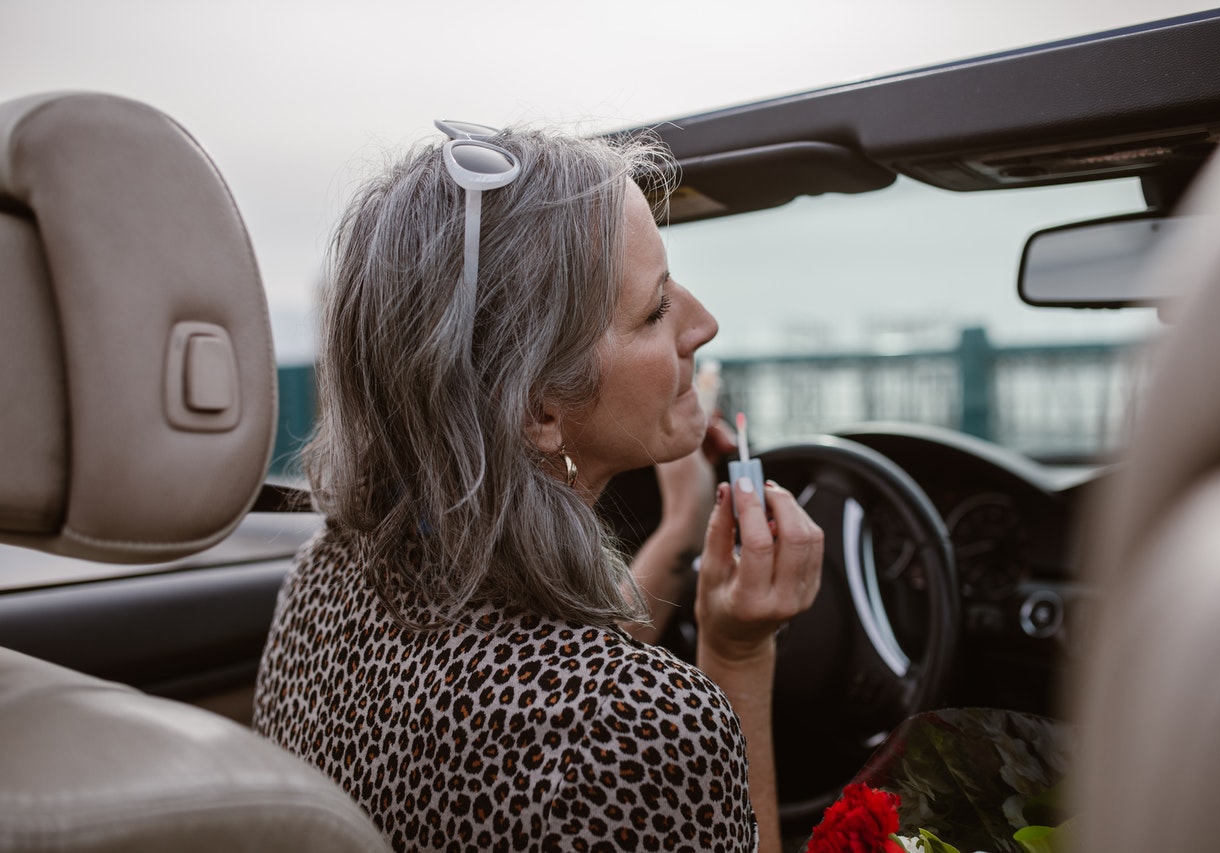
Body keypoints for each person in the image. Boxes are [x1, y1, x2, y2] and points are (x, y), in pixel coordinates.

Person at [253, 123, 824, 852]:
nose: (703, 324)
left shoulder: (326, 575)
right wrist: (738, 656)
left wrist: (682, 528)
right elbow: (582, 701)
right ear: (538, 409)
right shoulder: (639, 727)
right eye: (655, 309)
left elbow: (540, 665)